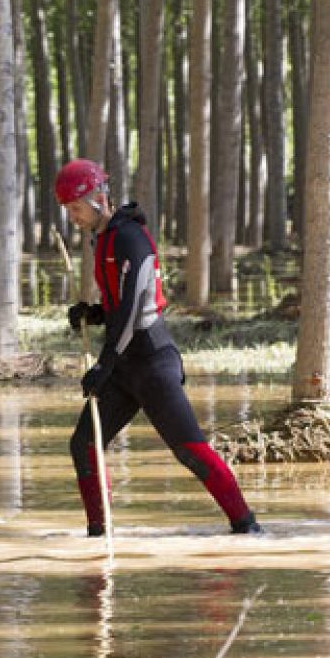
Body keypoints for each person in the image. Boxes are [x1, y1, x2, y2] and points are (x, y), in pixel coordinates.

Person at [54, 158, 261, 536]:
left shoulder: (130, 238)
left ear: (98, 198)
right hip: (124, 364)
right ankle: (99, 535)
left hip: (151, 362)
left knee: (189, 450)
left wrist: (103, 364)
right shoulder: (103, 238)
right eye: (68, 210)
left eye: (76, 208)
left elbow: (134, 308)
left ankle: (246, 526)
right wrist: (93, 313)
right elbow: (118, 305)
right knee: (84, 444)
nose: (73, 217)